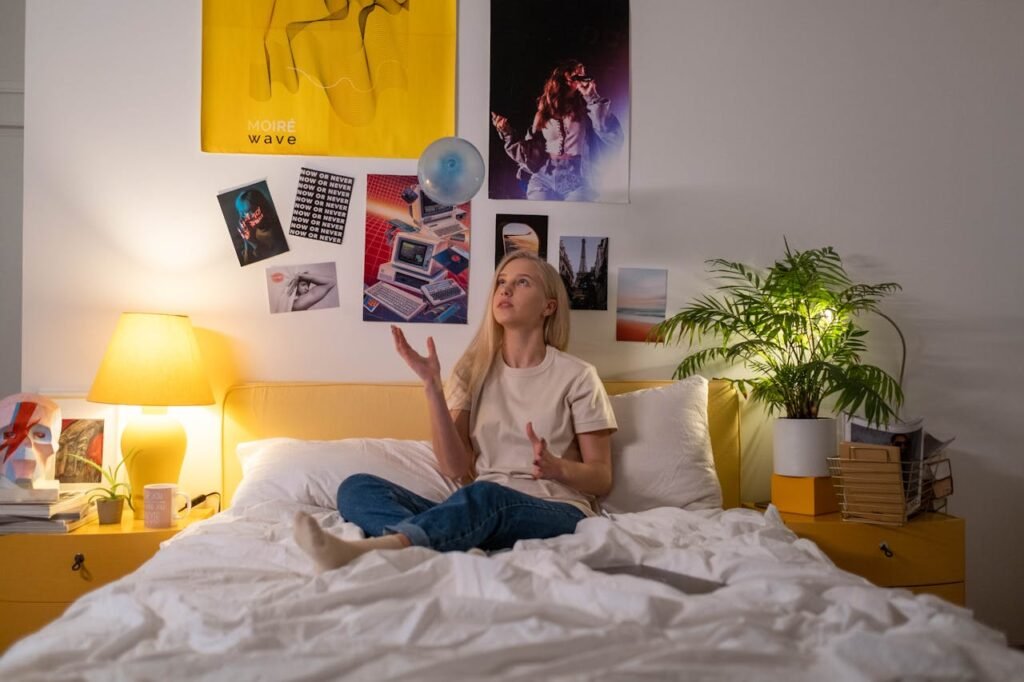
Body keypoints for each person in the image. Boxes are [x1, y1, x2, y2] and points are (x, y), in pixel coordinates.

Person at [294, 251, 617, 571]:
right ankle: (432, 544)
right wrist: (432, 386)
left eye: (522, 282)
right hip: (478, 505)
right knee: (357, 488)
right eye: (501, 282)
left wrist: (557, 467)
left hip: (555, 509)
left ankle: (386, 548)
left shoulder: (578, 375)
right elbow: (454, 467)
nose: (505, 290)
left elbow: (601, 478)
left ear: (549, 306)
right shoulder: (472, 371)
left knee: (486, 496)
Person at [491, 59, 624, 202]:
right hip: (544, 176)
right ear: (563, 74)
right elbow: (528, 151)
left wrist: (591, 96)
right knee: (539, 214)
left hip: (578, 177)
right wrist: (507, 132)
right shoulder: (543, 112)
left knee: (571, 218)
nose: (580, 73)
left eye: (583, 72)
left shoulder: (586, 108)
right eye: (576, 70)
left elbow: (608, 130)